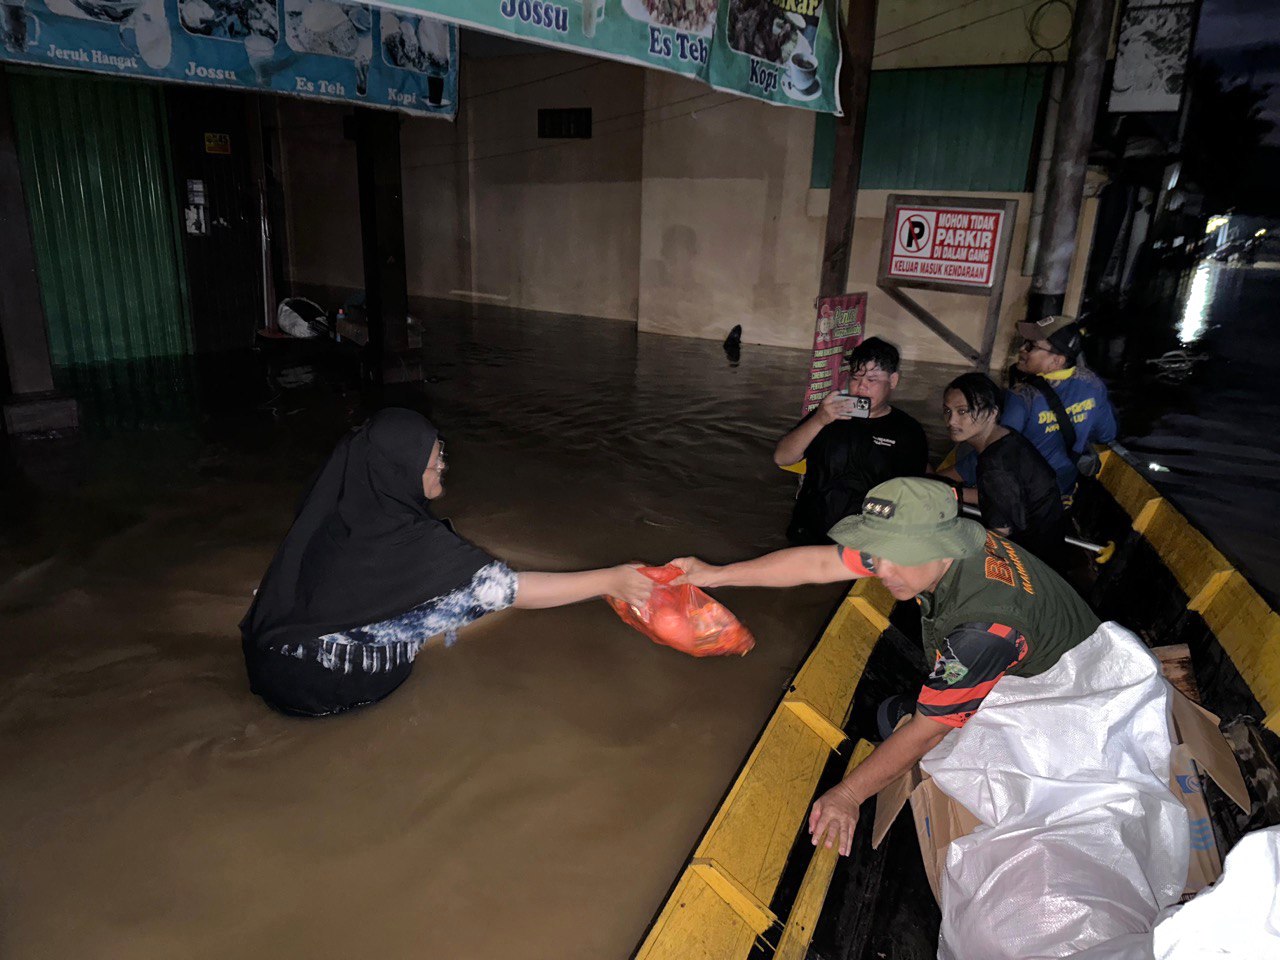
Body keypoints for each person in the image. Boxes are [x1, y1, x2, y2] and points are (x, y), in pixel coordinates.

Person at [670, 477, 1100, 857]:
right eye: (876, 555)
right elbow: (820, 563)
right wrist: (714, 575)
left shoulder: (982, 630)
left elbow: (927, 729)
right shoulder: (944, 546)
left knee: (901, 722)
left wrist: (848, 794)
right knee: (897, 713)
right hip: (1051, 653)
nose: (881, 569)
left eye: (897, 557)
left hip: (1071, 701)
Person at [240, 408, 653, 717]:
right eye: (433, 462)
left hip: (268, 656)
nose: (442, 466)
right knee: (469, 604)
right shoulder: (413, 540)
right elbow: (506, 590)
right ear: (399, 471)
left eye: (440, 455)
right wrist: (610, 580)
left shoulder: (334, 507)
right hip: (327, 682)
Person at [776, 337, 928, 545]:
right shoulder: (829, 413)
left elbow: (911, 495)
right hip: (808, 535)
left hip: (865, 542)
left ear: (893, 381)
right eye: (856, 378)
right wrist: (819, 420)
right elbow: (782, 458)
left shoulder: (907, 431)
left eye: (872, 380)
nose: (861, 387)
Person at [938, 372, 1069, 571]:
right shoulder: (1008, 437)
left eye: (963, 411)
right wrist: (950, 493)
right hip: (1050, 539)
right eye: (947, 411)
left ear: (992, 413)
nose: (951, 421)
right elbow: (1000, 495)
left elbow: (1001, 532)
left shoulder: (994, 465)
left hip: (1032, 559)